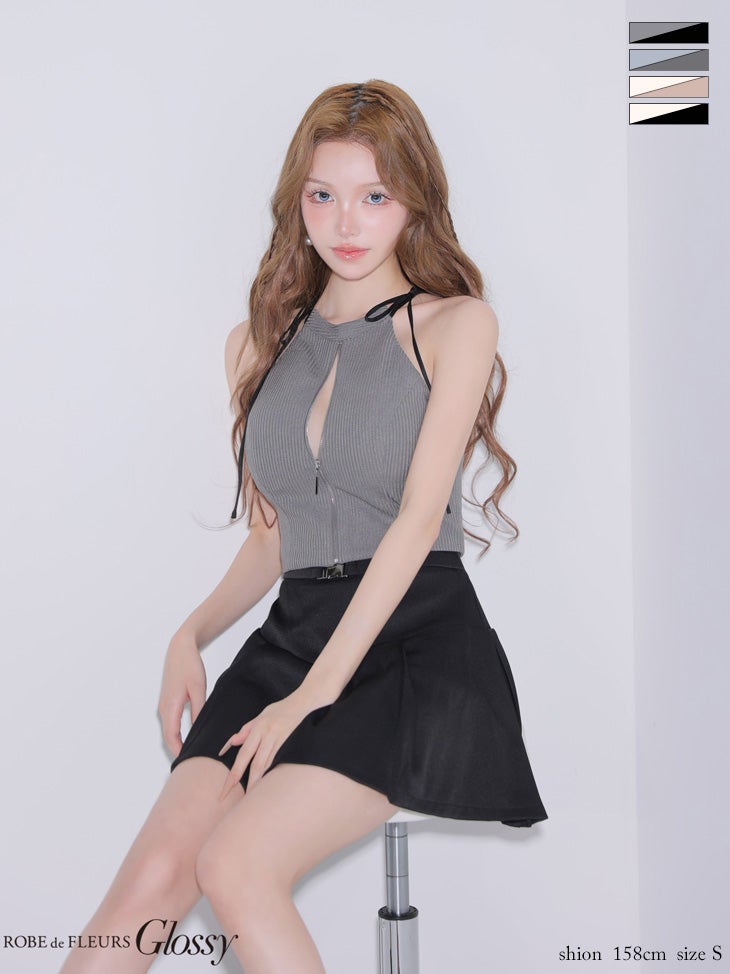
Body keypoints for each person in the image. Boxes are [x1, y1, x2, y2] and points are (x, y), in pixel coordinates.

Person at [60, 79, 547, 974]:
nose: (346, 222)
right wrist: (190, 632)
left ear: (415, 200)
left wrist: (315, 694)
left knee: (236, 866)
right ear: (297, 201)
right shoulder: (258, 345)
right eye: (324, 195)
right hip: (294, 638)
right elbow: (274, 537)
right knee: (148, 887)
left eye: (375, 196)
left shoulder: (455, 325)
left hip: (410, 643)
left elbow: (414, 525)